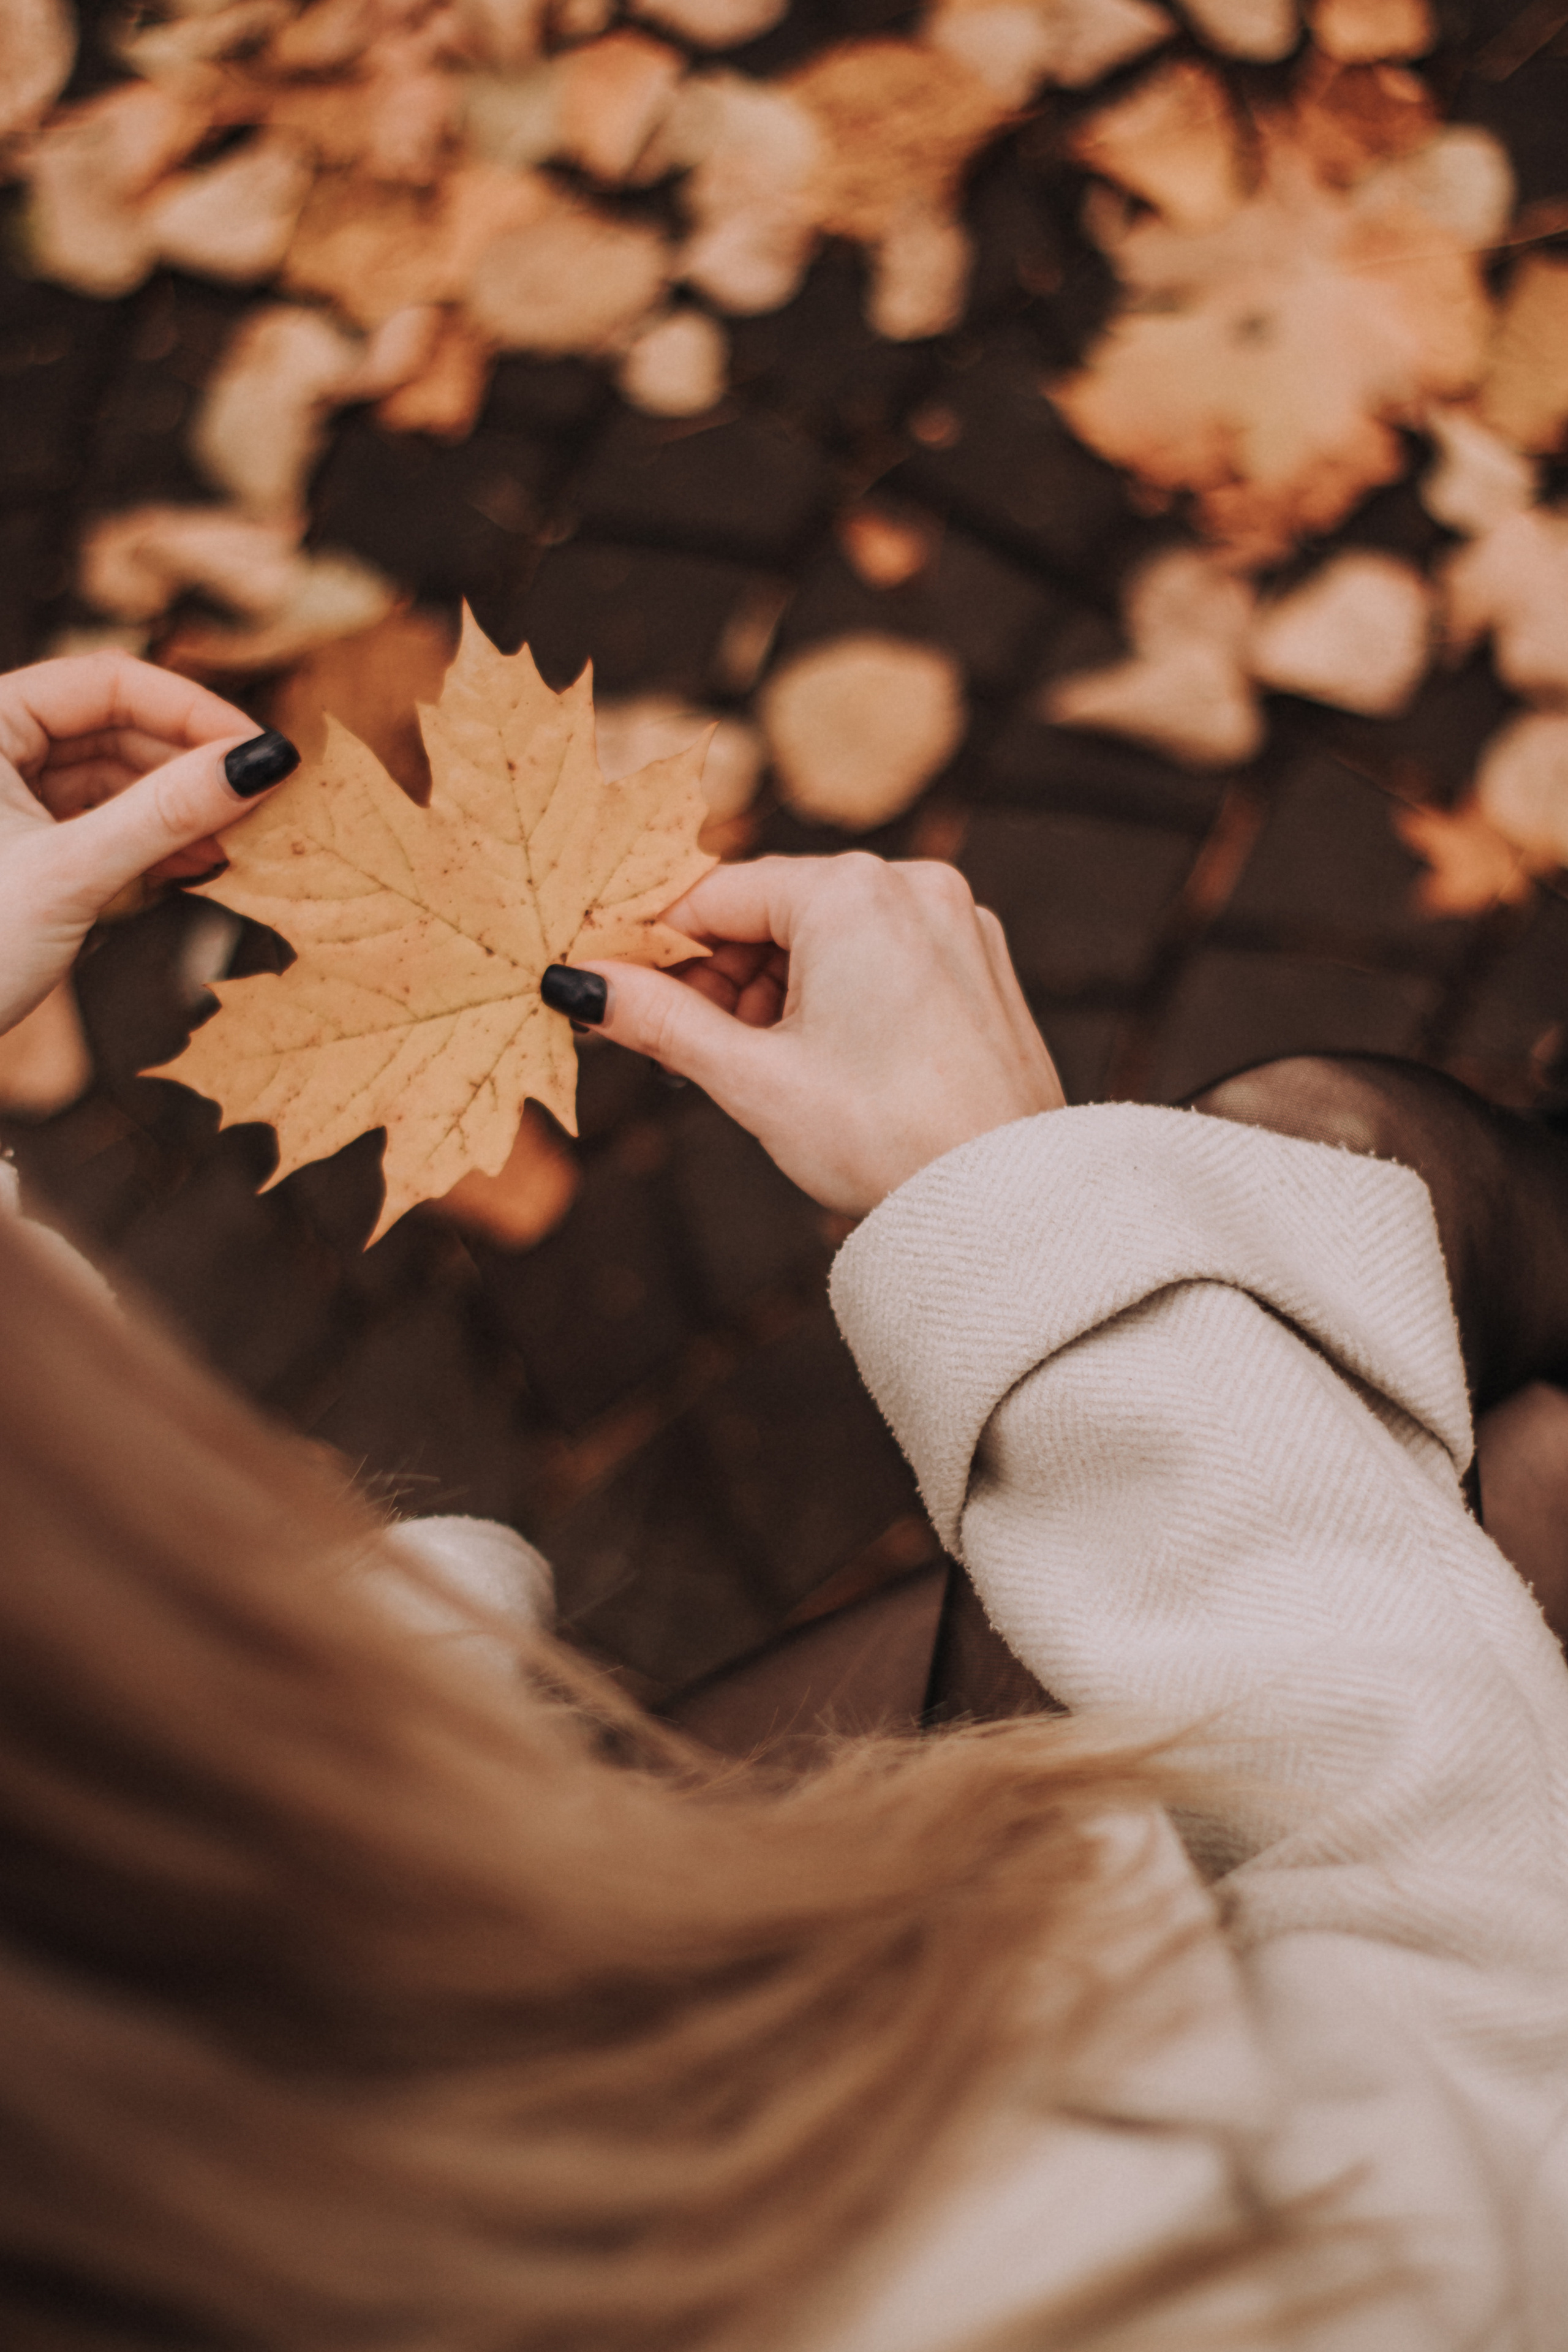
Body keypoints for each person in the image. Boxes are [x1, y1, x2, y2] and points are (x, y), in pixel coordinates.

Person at [2, 649, 1567, 2351]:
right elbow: (1500, 2135)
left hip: (384, 1955)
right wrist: (1012, 1210)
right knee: (1528, 1453)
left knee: (1332, 1150)